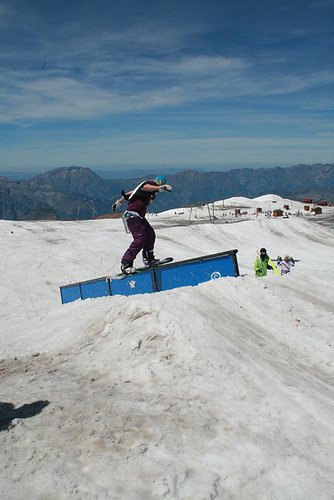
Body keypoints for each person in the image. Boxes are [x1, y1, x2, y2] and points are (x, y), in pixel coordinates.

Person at [112, 175, 172, 274]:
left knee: (150, 234)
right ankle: (126, 264)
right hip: (133, 216)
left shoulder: (144, 191)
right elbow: (145, 187)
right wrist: (160, 188)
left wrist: (118, 203)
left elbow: (130, 193)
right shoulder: (151, 185)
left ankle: (148, 259)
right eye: (152, 197)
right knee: (140, 239)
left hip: (138, 217)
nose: (152, 199)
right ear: (160, 182)